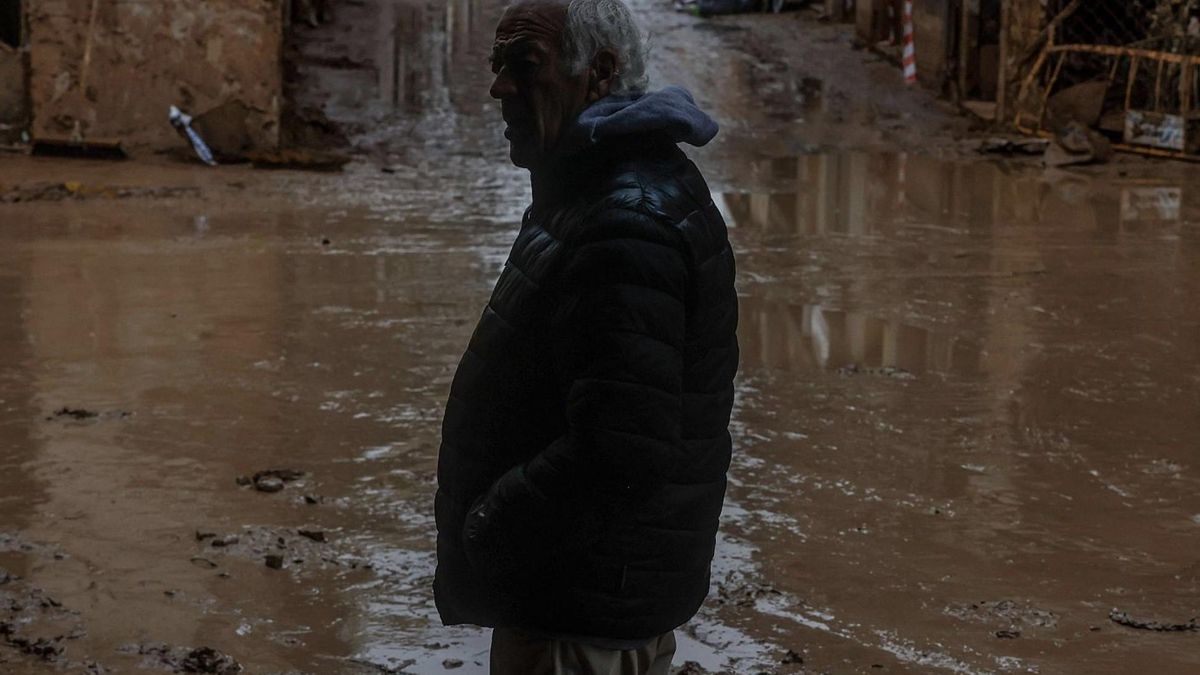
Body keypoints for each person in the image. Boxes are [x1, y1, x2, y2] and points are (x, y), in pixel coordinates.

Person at [433, 0, 738, 672]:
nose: (499, 87)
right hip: (592, 600)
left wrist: (490, 522)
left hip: (576, 617)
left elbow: (620, 451)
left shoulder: (623, 220)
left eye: (524, 65)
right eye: (497, 65)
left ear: (598, 72)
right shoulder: (600, 189)